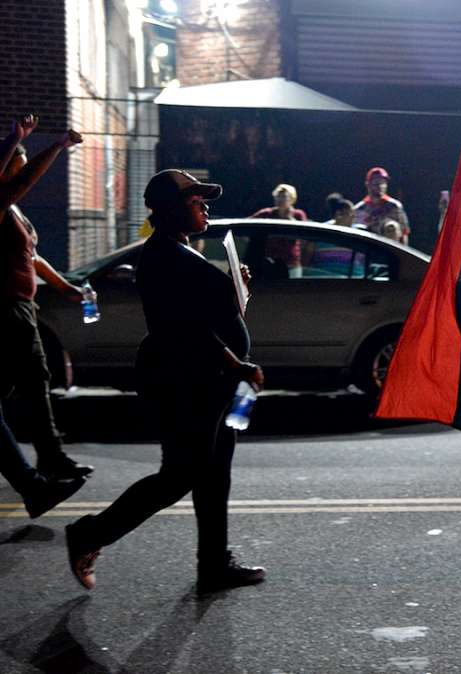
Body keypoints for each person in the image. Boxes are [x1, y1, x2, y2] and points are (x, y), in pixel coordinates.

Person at [66, 169, 266, 593]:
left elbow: (212, 318)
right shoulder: (165, 257)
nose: (205, 207)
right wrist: (237, 363)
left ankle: (214, 564)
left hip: (209, 382)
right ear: (171, 209)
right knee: (180, 474)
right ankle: (89, 534)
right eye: (196, 201)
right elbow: (182, 330)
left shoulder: (179, 252)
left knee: (213, 474)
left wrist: (235, 296)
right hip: (186, 383)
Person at [0, 114, 87, 517]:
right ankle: (41, 473)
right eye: (16, 160)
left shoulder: (14, 212)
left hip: (19, 308)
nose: (23, 167)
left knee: (36, 383)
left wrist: (64, 286)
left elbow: (31, 257)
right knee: (33, 383)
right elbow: (22, 181)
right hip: (4, 311)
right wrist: (53, 146)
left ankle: (47, 465)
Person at [252, 183, 307, 278]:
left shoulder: (298, 215)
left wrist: (289, 218)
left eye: (284, 197)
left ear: (292, 199)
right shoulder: (267, 213)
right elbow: (246, 224)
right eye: (278, 196)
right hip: (270, 263)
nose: (280, 199)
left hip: (291, 265)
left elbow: (303, 234)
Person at [355, 167, 410, 245]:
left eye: (383, 183)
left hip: (389, 251)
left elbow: (404, 233)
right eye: (376, 183)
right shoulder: (359, 209)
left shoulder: (395, 206)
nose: (380, 186)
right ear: (368, 184)